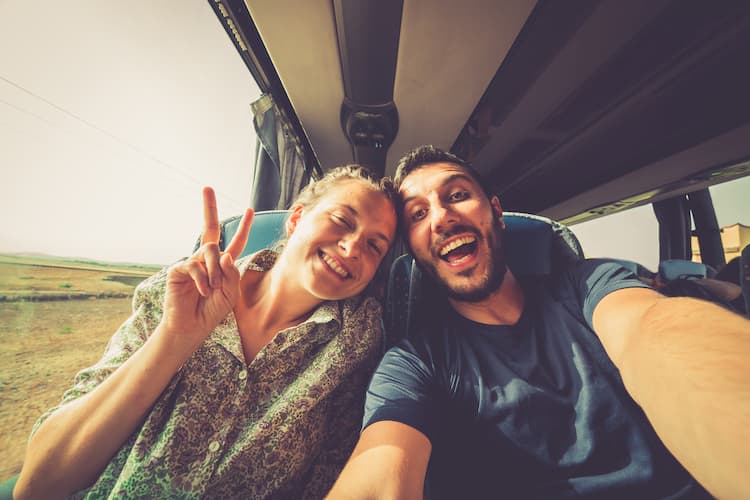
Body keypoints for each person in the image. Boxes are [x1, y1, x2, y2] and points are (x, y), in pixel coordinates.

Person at [328, 146, 750, 499]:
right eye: (418, 215)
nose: (440, 218)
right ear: (414, 250)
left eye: (456, 195)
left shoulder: (589, 286)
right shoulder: (416, 362)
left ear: (495, 212)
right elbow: (382, 471)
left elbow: (655, 329)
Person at [14, 165, 398, 499]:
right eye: (342, 221)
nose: (351, 249)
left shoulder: (356, 345)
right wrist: (175, 338)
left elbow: (329, 480)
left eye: (374, 246)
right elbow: (38, 486)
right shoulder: (181, 291)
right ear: (296, 219)